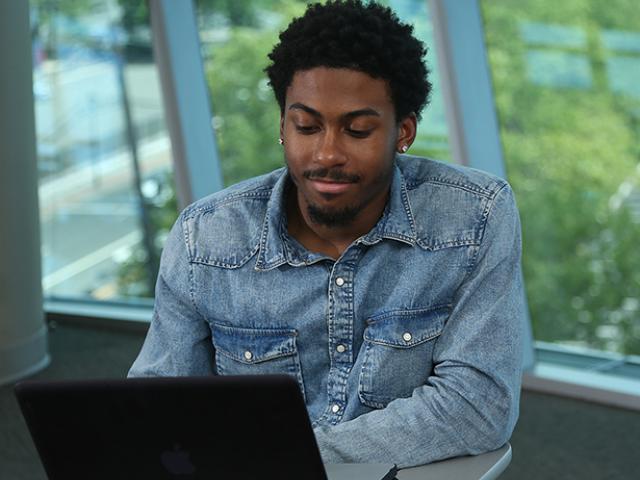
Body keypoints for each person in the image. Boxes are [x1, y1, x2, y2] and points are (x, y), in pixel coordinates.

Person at [129, 0, 524, 468]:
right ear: (282, 126)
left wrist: (290, 456)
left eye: (357, 131)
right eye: (306, 126)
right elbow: (154, 409)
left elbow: (478, 407)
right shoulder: (206, 238)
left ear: (404, 131)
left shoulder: (474, 216)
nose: (327, 153)